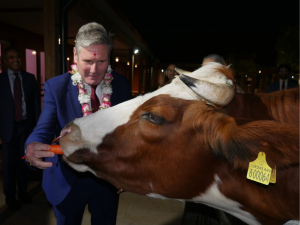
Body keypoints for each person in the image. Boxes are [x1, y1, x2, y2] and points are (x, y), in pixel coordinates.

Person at [24, 22, 132, 225]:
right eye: (87, 61)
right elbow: (44, 127)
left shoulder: (122, 85)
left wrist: (127, 170)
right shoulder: (56, 86)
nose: (94, 69)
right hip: (68, 182)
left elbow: (126, 134)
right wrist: (32, 144)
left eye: (101, 61)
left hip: (107, 181)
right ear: (75, 56)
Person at [0, 46, 40, 210]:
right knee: (9, 166)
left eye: (17, 57)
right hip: (7, 130)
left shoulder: (29, 78)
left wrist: (37, 130)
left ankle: (23, 193)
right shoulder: (0, 80)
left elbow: (36, 106)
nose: (16, 60)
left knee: (24, 162)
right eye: (11, 57)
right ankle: (10, 197)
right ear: (4, 61)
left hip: (26, 127)